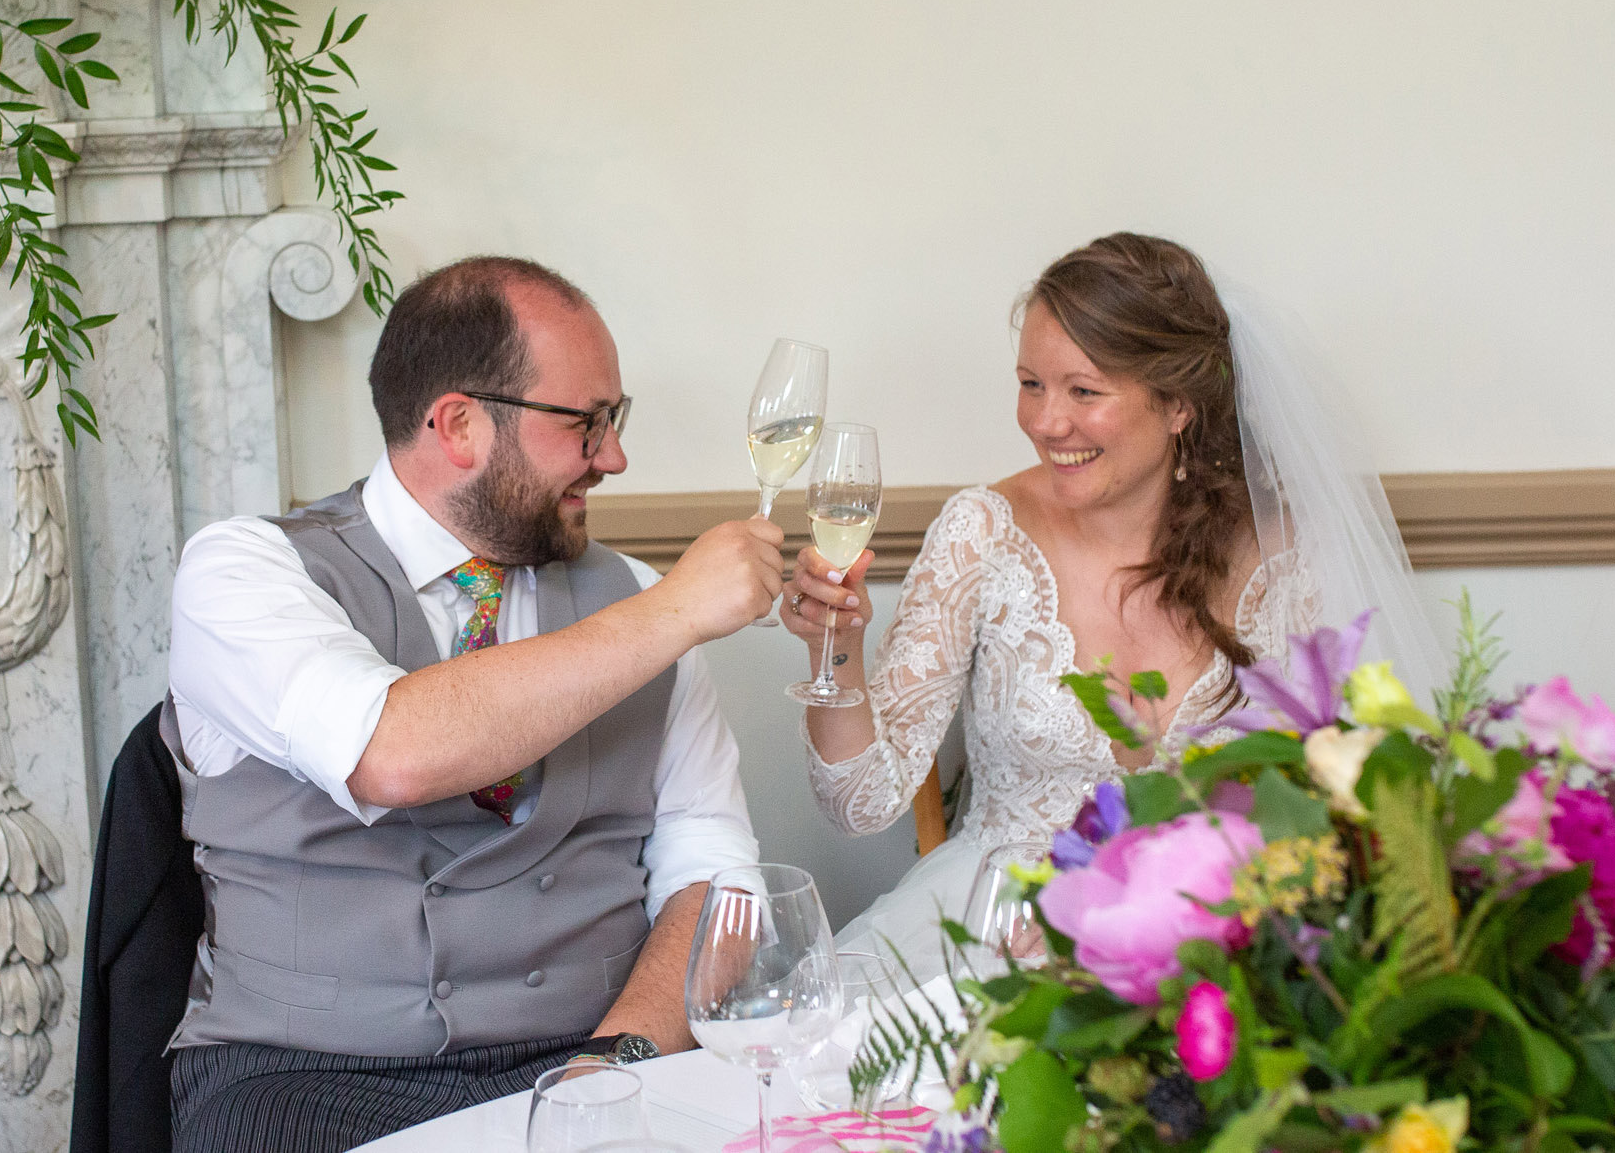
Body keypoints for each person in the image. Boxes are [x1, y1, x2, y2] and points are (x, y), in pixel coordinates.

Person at [160, 256, 784, 1152]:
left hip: (596, 1054)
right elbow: (392, 748)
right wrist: (676, 612)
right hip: (305, 1077)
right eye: (587, 422)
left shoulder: (635, 596)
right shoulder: (242, 570)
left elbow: (713, 874)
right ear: (457, 424)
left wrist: (621, 1058)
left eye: (616, 420)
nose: (613, 456)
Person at [780, 231, 1442, 974]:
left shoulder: (1288, 554)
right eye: (1030, 383)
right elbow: (859, 803)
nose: (1044, 421)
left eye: (1082, 390)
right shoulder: (981, 532)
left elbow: (1358, 790)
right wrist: (831, 643)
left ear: (1178, 407)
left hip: (1217, 938)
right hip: (996, 929)